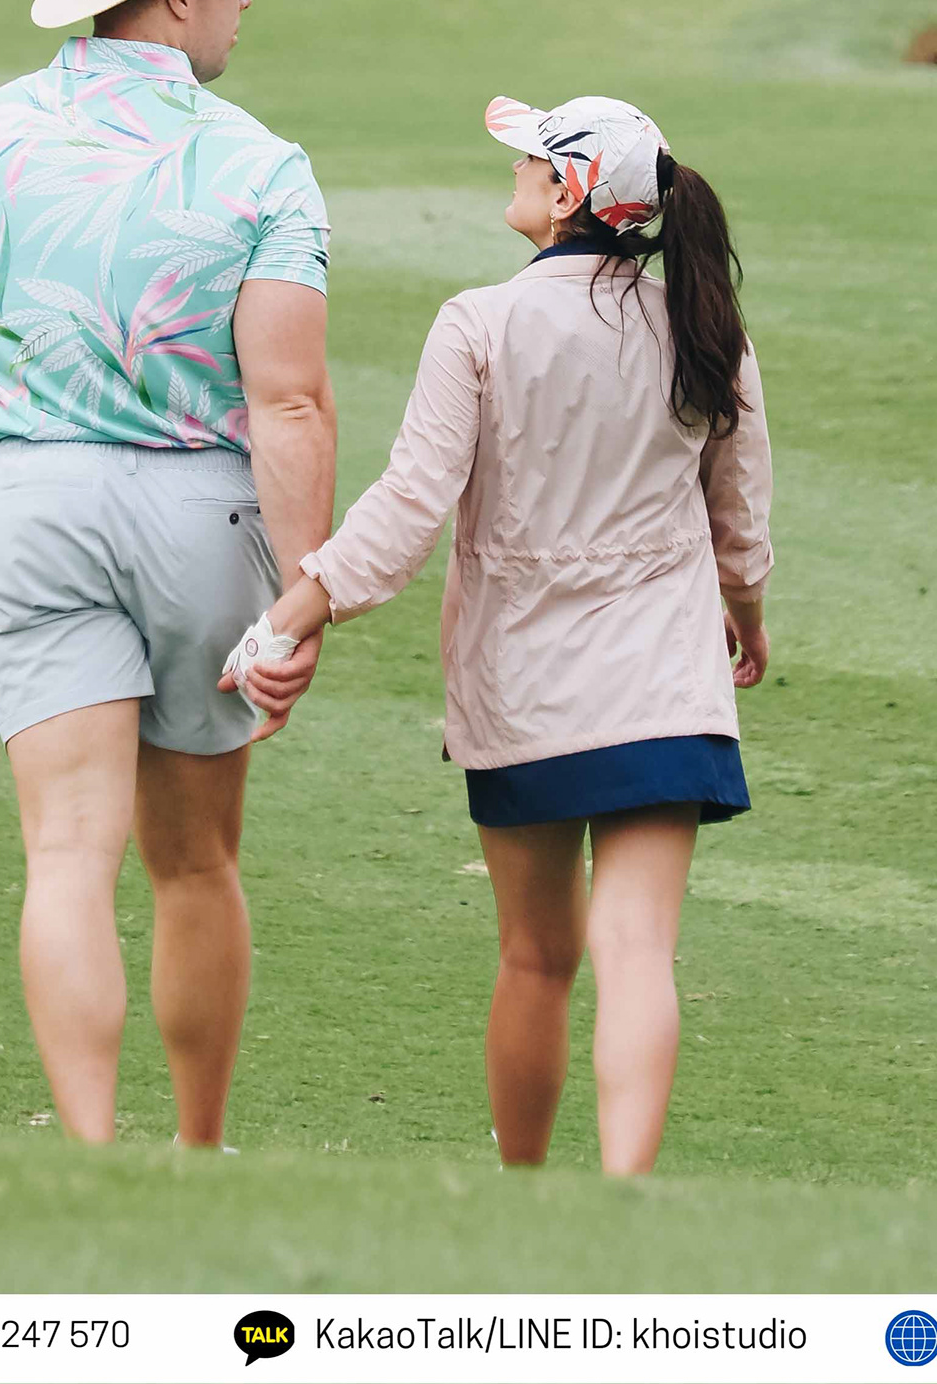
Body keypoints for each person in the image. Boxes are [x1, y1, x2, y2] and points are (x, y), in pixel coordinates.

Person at [0, 0, 336, 1148]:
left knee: (67, 853)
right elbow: (289, 402)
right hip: (203, 513)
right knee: (193, 860)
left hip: (26, 500)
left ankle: (89, 1150)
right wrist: (307, 590)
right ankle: (195, 1148)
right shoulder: (261, 165)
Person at [238, 91, 772, 1177]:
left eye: (535, 154)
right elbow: (739, 521)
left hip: (525, 693)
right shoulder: (706, 324)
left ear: (570, 191)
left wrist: (299, 604)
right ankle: (622, 1195)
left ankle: (521, 1197)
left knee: (536, 959)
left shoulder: (479, 322)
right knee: (638, 954)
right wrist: (747, 618)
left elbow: (407, 503)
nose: (519, 166)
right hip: (667, 688)